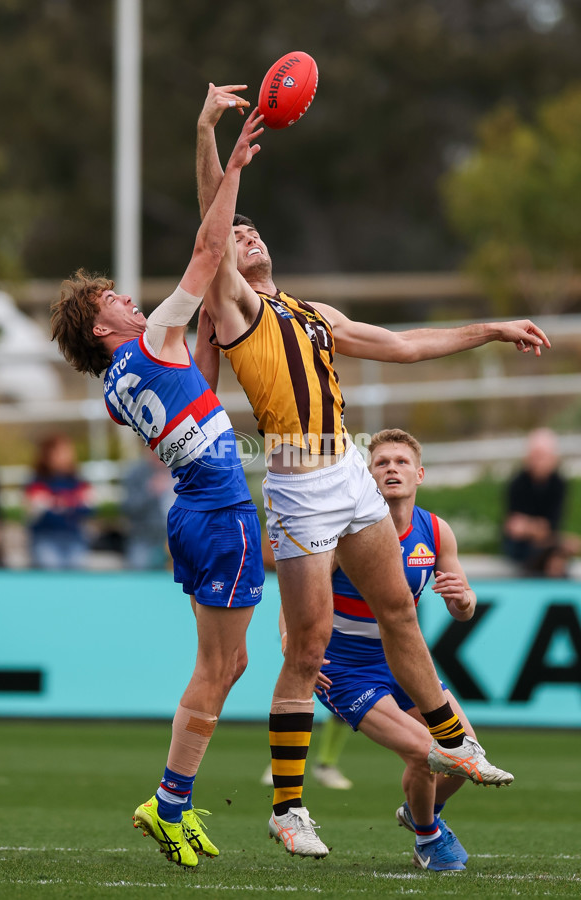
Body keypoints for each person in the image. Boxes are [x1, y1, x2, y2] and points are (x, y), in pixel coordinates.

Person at [196, 83, 548, 858]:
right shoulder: (231, 310)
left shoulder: (314, 316)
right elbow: (210, 242)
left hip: (348, 470)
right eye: (238, 231)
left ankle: (456, 741)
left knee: (398, 610)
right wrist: (217, 154)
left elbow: (407, 345)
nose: (246, 237)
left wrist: (489, 328)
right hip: (295, 481)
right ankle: (289, 808)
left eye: (254, 230)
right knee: (308, 648)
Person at [51, 109, 265, 869]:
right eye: (112, 299)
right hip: (220, 510)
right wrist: (227, 157)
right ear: (101, 327)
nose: (126, 299)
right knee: (217, 669)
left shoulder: (116, 386)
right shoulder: (144, 341)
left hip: (194, 510)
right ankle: (168, 803)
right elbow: (209, 250)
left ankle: (171, 799)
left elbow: (192, 390)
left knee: (228, 664)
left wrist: (205, 334)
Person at [313, 428, 481, 871]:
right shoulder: (346, 529)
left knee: (466, 753)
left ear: (419, 474)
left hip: (405, 663)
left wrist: (463, 601)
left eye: (401, 462)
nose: (392, 468)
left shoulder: (436, 531)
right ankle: (428, 840)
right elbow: (302, 596)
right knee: (427, 752)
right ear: (369, 476)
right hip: (345, 668)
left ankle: (418, 814)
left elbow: (465, 607)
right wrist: (298, 652)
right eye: (382, 462)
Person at [503, 428, 580, 577]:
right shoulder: (518, 483)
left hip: (547, 544)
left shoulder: (558, 484)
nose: (538, 461)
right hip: (521, 549)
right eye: (535, 456)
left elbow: (549, 526)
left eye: (542, 456)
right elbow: (514, 529)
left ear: (553, 458)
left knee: (557, 559)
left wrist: (529, 527)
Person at [24, 433, 93, 570]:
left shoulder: (77, 480)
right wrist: (69, 503)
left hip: (74, 538)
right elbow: (37, 511)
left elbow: (88, 508)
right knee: (51, 576)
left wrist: (57, 503)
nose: (67, 456)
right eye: (61, 452)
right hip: (46, 538)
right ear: (48, 455)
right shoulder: (37, 481)